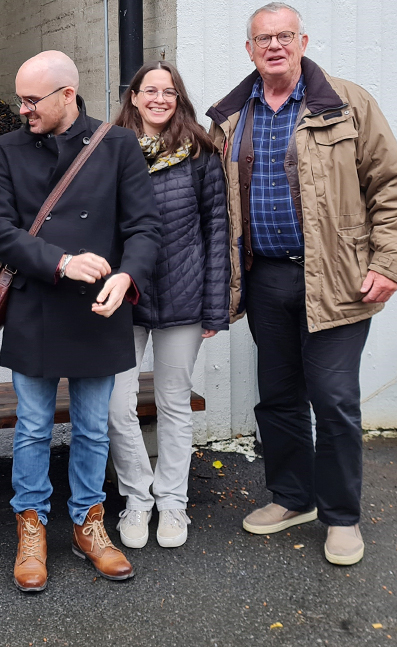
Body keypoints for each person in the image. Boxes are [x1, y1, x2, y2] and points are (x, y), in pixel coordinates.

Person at [205, 3, 397, 566]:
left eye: (284, 35)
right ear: (249, 49)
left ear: (303, 41)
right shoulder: (231, 117)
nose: (274, 45)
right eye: (263, 38)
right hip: (265, 278)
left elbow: (389, 187)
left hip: (339, 277)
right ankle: (292, 498)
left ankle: (342, 516)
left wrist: (388, 264)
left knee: (334, 399)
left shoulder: (347, 103)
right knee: (278, 397)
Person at [0, 50, 160, 592]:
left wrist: (126, 277)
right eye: (19, 99)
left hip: (98, 307)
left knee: (91, 426)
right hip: (36, 304)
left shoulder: (118, 145)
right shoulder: (7, 150)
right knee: (33, 427)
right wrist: (60, 262)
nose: (23, 109)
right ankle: (31, 525)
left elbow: (144, 228)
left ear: (66, 95)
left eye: (32, 100)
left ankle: (88, 523)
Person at [107, 60, 229, 550]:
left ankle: (173, 502)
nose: (159, 99)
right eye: (150, 90)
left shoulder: (200, 152)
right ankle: (138, 498)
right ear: (134, 97)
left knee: (174, 402)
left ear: (179, 99)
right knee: (116, 404)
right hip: (125, 296)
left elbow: (217, 230)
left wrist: (215, 305)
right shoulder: (110, 149)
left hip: (184, 295)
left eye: (169, 91)